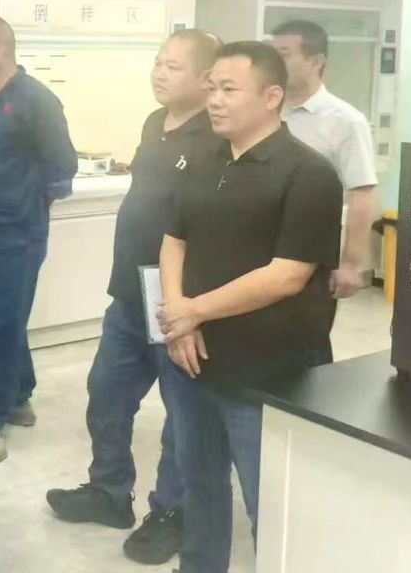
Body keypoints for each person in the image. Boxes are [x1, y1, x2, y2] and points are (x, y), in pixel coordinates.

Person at [158, 41, 341, 573]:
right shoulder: (202, 159)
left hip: (266, 372)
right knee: (200, 484)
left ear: (271, 96)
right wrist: (179, 316)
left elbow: (287, 275)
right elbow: (173, 239)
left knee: (272, 502)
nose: (214, 100)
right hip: (192, 359)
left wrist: (194, 311)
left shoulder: (307, 174)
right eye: (212, 87)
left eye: (229, 89)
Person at [45, 29, 222, 566]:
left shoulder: (216, 139)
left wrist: (190, 306)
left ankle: (172, 512)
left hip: (177, 296)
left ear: (206, 79)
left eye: (173, 67)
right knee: (107, 393)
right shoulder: (153, 123)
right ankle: (108, 491)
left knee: (181, 414)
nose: (159, 73)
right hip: (129, 291)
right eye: (158, 63)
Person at [0, 15, 77, 463]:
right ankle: (19, 393)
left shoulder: (37, 100)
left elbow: (62, 167)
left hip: (18, 232)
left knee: (4, 323)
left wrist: (29, 209)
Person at [271, 20, 379, 300]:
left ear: (316, 62)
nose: (273, 63)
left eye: (283, 55)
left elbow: (362, 192)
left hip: (312, 254)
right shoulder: (265, 110)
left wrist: (350, 262)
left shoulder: (345, 121)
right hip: (261, 248)